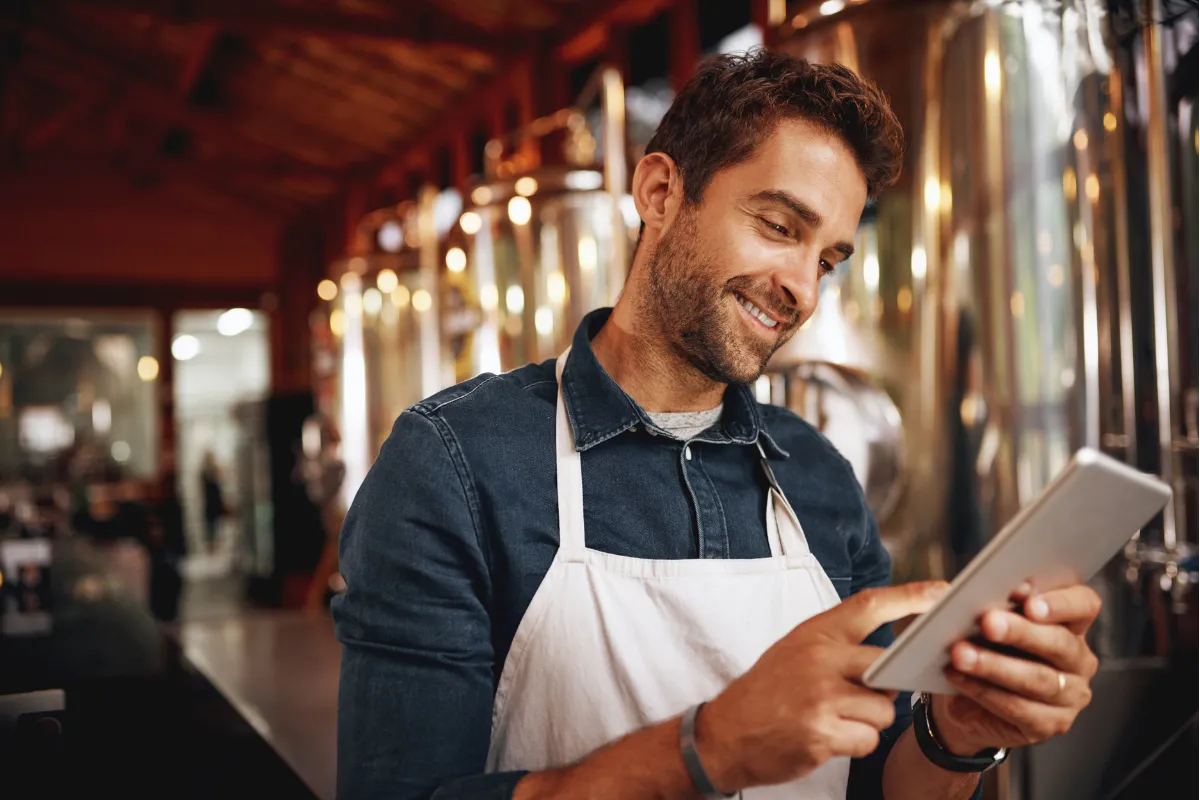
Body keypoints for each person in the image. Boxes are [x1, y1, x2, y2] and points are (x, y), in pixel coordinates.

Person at [333, 51, 1102, 799]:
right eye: (777, 225)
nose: (801, 288)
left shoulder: (819, 477)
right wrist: (710, 750)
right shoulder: (457, 464)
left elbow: (874, 782)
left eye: (828, 260)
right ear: (662, 190)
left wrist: (954, 735)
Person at [200, 451, 224, 554]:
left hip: (212, 502)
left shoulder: (208, 472)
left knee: (212, 526)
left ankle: (213, 546)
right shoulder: (207, 472)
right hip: (211, 502)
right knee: (212, 526)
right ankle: (212, 547)